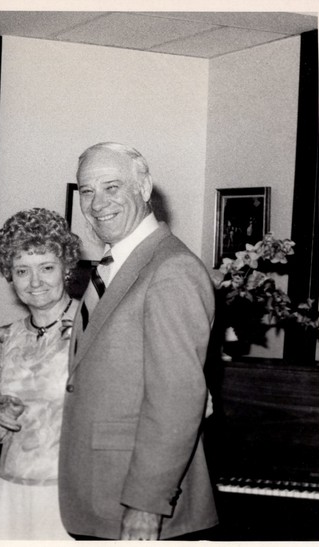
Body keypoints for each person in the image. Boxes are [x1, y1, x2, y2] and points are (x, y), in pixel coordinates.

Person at [58, 142, 217, 539]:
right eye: (87, 191)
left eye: (112, 187)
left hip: (138, 507)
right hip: (99, 493)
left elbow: (177, 399)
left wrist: (146, 503)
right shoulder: (116, 265)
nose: (97, 204)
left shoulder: (171, 269)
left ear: (144, 188)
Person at [0, 208, 81, 540]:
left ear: (66, 269)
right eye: (22, 270)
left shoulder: (93, 325)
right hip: (10, 492)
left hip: (68, 496)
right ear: (9, 275)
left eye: (46, 268)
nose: (35, 282)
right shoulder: (4, 338)